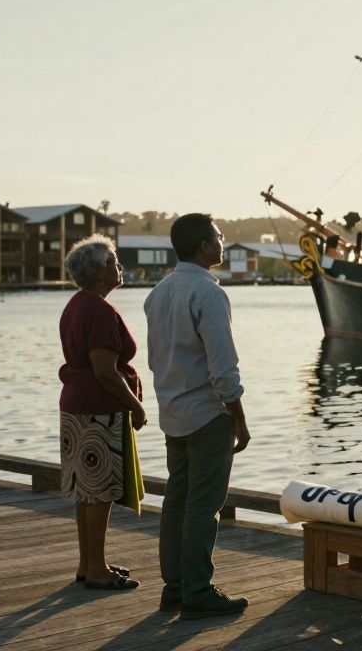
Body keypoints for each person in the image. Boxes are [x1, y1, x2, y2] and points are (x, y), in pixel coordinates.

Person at [145, 213, 252, 620]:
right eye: (219, 236)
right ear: (206, 245)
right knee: (204, 506)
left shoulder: (158, 293)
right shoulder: (208, 293)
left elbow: (157, 359)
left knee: (177, 501)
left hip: (173, 412)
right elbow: (223, 367)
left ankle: (174, 588)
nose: (223, 241)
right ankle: (198, 591)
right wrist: (239, 417)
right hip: (207, 414)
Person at [58, 234, 146, 591]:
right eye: (112, 262)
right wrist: (136, 405)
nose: (118, 266)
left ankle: (90, 563)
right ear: (97, 272)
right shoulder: (98, 310)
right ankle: (96, 569)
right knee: (99, 491)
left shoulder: (77, 304)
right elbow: (106, 371)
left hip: (76, 405)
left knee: (86, 490)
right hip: (97, 409)